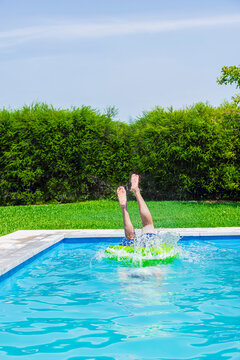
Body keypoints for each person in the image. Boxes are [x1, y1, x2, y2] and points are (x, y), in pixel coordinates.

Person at [117, 174, 156, 246]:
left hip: (132, 249)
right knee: (147, 226)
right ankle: (136, 191)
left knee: (130, 238)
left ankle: (124, 207)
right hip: (149, 246)